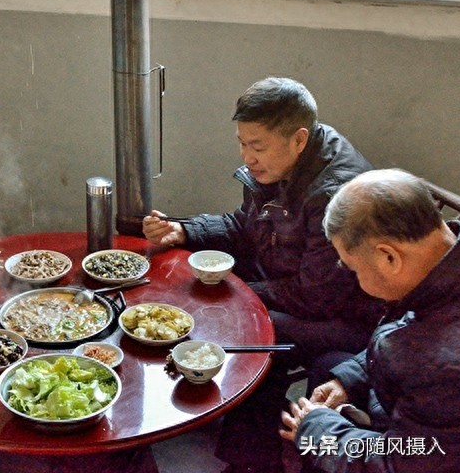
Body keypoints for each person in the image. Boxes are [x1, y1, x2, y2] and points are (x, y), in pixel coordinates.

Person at [142, 77, 383, 472]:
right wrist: (186, 230)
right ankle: (231, 436)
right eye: (242, 143)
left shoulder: (332, 194)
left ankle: (251, 462)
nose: (247, 157)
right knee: (190, 277)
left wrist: (240, 294)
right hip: (287, 282)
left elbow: (317, 296)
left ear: (299, 139)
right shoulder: (278, 166)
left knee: (250, 330)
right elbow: (245, 227)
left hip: (344, 316)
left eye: (257, 146)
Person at [280, 168, 460, 472]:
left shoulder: (442, 368)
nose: (354, 277)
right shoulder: (438, 269)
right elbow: (408, 332)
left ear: (389, 257)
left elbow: (398, 463)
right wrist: (351, 377)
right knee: (330, 367)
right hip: (426, 418)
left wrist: (317, 431)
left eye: (353, 268)